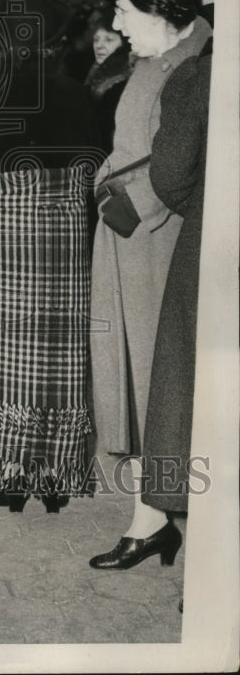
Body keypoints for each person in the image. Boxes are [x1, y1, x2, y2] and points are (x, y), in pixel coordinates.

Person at [0, 0, 101, 513]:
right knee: (54, 356)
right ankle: (54, 474)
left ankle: (8, 471)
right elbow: (89, 169)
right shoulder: (74, 95)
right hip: (57, 248)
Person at [88, 0, 211, 570]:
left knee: (150, 381)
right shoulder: (155, 59)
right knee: (132, 375)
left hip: (154, 241)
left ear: (161, 11)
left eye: (124, 9)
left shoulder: (192, 64)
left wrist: (124, 206)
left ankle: (151, 519)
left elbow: (177, 165)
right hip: (128, 236)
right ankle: (152, 515)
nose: (114, 20)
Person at [140, 41, 212, 524]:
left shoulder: (202, 73)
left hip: (217, 239)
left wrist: (204, 209)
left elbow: (170, 174)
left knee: (187, 377)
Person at [84, 4, 133, 154]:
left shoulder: (121, 81)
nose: (99, 46)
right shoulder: (95, 71)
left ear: (124, 43)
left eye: (109, 40)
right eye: (96, 39)